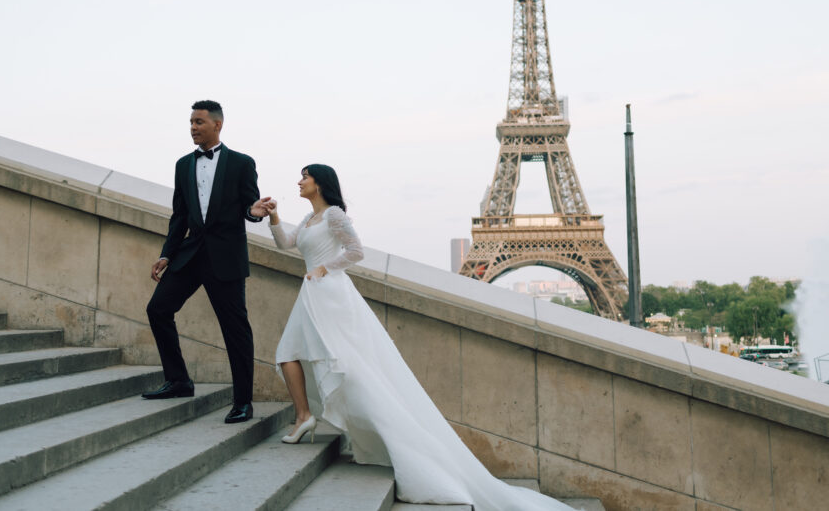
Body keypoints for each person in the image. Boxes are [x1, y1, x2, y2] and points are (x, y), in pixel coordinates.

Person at [252, 165, 577, 510]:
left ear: (319, 182)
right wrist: (274, 217)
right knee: (288, 354)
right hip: (312, 295)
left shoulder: (334, 215)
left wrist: (324, 267)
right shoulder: (306, 220)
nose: (299, 181)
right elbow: (286, 244)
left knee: (350, 368)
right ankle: (305, 416)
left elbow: (356, 251)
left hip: (331, 295)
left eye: (305, 176)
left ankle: (367, 427)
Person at [143, 100, 263, 424]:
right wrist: (167, 253)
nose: (193, 127)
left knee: (235, 329)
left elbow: (249, 208)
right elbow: (179, 215)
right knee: (158, 309)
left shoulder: (241, 163)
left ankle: (243, 402)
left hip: (226, 256)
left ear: (217, 125)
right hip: (191, 253)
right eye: (191, 122)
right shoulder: (183, 165)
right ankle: (179, 380)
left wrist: (256, 212)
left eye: (199, 122)